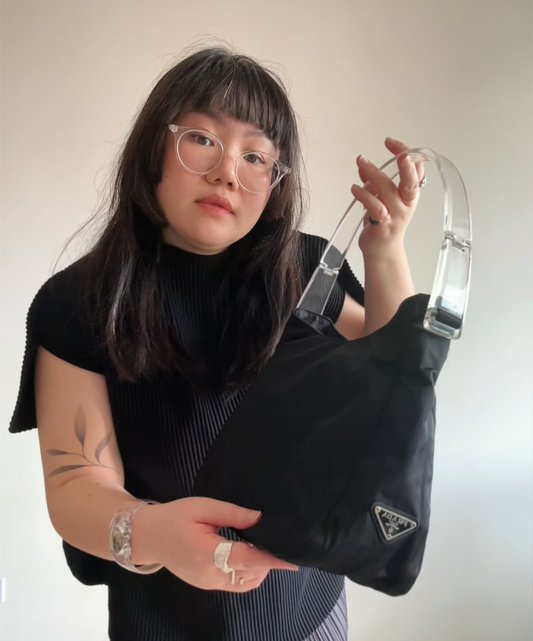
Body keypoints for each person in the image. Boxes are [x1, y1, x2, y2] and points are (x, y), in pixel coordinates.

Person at [9, 46, 424, 641]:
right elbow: (76, 482)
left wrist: (385, 250)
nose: (228, 172)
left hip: (307, 612)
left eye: (256, 156)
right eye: (203, 138)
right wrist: (156, 535)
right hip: (160, 617)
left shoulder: (304, 268)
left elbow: (396, 385)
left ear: (275, 181)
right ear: (153, 146)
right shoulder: (77, 301)